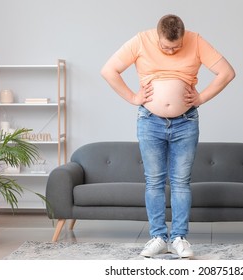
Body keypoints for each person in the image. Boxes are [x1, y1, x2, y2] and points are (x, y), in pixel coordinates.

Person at [101, 14, 235, 258]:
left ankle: (179, 238)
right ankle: (158, 237)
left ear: (183, 36)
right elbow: (108, 70)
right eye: (165, 47)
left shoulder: (196, 41)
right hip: (150, 122)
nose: (171, 51)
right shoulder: (141, 40)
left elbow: (227, 72)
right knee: (154, 181)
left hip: (185, 123)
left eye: (176, 47)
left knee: (181, 182)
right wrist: (133, 97)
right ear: (157, 35)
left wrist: (201, 97)